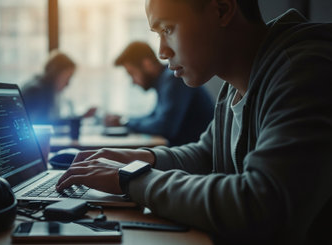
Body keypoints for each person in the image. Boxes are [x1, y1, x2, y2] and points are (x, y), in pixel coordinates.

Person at [56, 0, 332, 244]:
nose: (162, 52)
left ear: (222, 10)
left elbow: (261, 204)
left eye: (168, 29)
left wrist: (132, 180)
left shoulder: (303, 70)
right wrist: (141, 158)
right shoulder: (234, 85)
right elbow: (206, 154)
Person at [105, 41, 214, 146]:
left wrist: (125, 122)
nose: (133, 82)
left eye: (132, 73)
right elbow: (153, 117)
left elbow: (164, 127)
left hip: (197, 158)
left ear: (146, 64)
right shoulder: (163, 81)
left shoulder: (173, 78)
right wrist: (123, 119)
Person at [22, 50, 96, 124]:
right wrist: (79, 119)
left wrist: (81, 117)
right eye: (67, 78)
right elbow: (45, 123)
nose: (67, 84)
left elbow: (53, 121)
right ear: (56, 73)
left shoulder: (46, 89)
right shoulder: (36, 92)